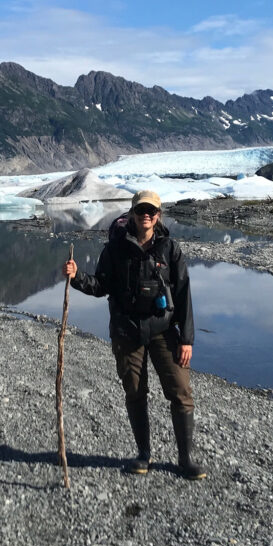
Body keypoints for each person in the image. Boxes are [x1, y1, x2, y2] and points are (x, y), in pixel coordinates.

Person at [62, 189, 206, 480]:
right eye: (141, 211)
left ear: (159, 216)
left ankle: (185, 459)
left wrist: (187, 339)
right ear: (132, 214)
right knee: (135, 393)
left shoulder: (169, 248)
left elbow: (183, 293)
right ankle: (143, 454)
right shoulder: (115, 249)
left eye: (151, 211)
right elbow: (100, 285)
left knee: (181, 391)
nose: (146, 216)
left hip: (164, 331)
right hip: (127, 332)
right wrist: (76, 277)